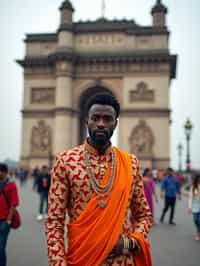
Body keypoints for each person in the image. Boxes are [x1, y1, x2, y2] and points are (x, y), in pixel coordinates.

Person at [45, 92, 153, 266]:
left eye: (107, 119)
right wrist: (58, 262)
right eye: (95, 118)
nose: (101, 124)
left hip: (122, 261)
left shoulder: (130, 163)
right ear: (86, 120)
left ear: (116, 123)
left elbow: (144, 215)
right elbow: (54, 222)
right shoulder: (65, 161)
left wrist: (130, 242)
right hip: (81, 258)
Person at [0, 163, 20, 266]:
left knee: (0, 247)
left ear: (4, 172)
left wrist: (8, 220)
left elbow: (14, 203)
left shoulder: (11, 185)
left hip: (4, 221)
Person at [188, 173, 200, 241]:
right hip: (195, 206)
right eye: (198, 178)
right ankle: (198, 230)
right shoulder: (193, 186)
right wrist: (189, 207)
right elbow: (190, 197)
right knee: (195, 220)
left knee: (199, 220)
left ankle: (198, 233)